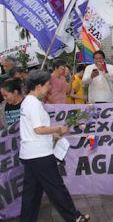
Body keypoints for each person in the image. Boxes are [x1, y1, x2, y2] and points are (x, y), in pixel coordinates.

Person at [19, 70, 90, 222]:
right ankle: (74, 217)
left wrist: (51, 134)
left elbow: (33, 129)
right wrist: (58, 129)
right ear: (38, 86)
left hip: (30, 154)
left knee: (32, 192)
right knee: (56, 188)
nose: (49, 88)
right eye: (47, 85)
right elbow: (38, 129)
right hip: (40, 155)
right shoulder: (33, 104)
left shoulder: (28, 101)